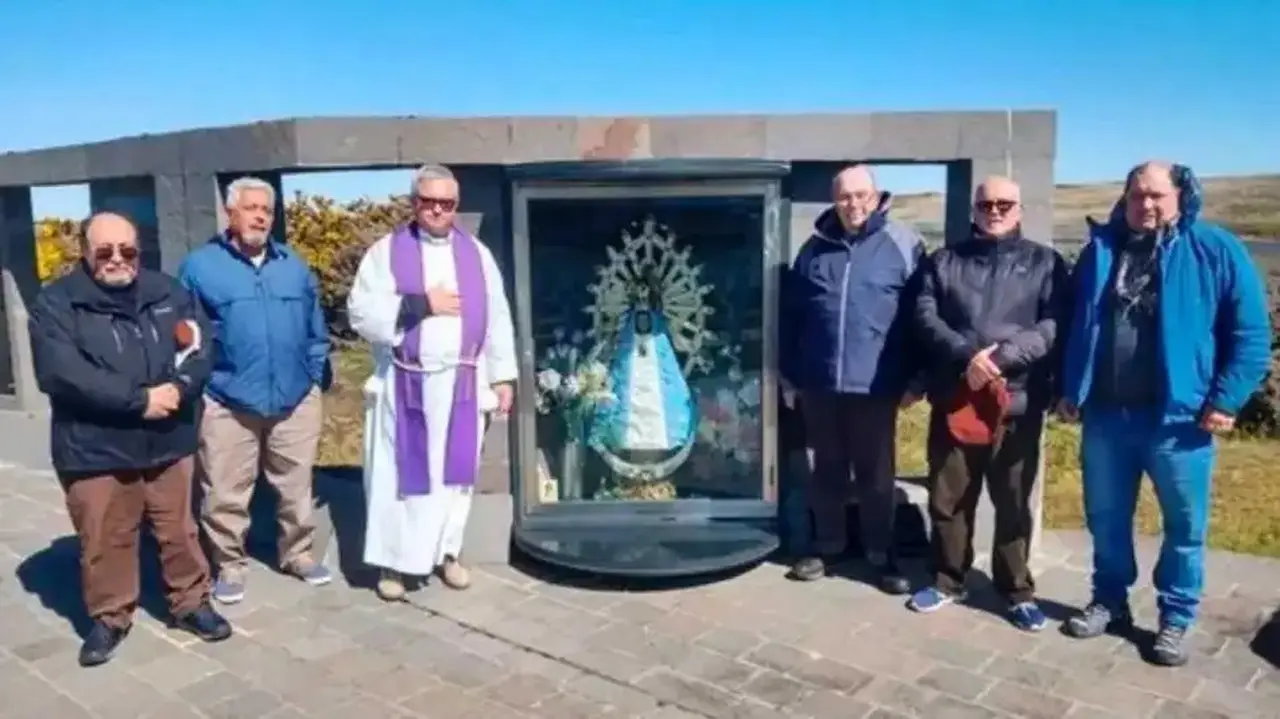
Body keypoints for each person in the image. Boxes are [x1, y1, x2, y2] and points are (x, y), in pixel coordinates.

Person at [1058, 162, 1271, 666]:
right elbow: (1078, 324)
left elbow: (1251, 334)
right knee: (1106, 519)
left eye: (1156, 195)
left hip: (1180, 421)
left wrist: (1226, 399)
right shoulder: (1102, 249)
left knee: (1183, 525)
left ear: (1181, 195)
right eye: (1136, 196)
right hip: (1107, 416)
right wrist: (1072, 387)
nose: (1145, 205)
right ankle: (1110, 601)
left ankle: (1176, 616)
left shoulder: (1214, 249)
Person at [28, 212, 232, 667]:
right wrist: (138, 400)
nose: (117, 259)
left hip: (167, 438)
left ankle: (191, 602)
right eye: (105, 251)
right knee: (106, 537)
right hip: (95, 446)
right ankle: (110, 616)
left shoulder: (168, 292)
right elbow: (62, 373)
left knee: (179, 529)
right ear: (84, 252)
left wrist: (178, 389)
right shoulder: (57, 304)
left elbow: (200, 347)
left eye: (128, 250)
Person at [906, 177, 1070, 632]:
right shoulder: (943, 262)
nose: (994, 210)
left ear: (1019, 208)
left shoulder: (1047, 264)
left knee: (1013, 501)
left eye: (1004, 203)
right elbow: (924, 315)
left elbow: (1054, 324)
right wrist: (966, 357)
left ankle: (1016, 590)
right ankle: (947, 579)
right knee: (950, 496)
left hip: (1016, 400)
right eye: (986, 203)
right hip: (956, 397)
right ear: (973, 209)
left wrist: (1002, 358)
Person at [347, 163, 517, 601]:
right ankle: (394, 565)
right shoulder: (386, 252)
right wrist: (421, 304)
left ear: (456, 206)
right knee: (400, 479)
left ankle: (447, 552)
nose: (438, 210)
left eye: (447, 203)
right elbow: (361, 313)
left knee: (455, 477)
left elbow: (497, 316)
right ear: (414, 203)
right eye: (429, 202)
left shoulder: (476, 255)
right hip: (406, 384)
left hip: (463, 382)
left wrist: (503, 376)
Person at [179, 176, 332, 605]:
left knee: (296, 484)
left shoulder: (293, 266)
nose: (261, 216)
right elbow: (187, 338)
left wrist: (313, 377)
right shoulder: (200, 267)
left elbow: (316, 331)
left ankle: (298, 554)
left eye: (267, 209)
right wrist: (206, 387)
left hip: (294, 398)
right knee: (225, 489)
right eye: (251, 208)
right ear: (231, 213)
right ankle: (229, 563)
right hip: (227, 399)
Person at [779, 164, 925, 592]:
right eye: (844, 197)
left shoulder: (903, 245)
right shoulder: (814, 249)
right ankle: (828, 547)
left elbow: (922, 316)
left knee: (877, 475)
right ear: (834, 200)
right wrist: (791, 375)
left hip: (877, 386)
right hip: (820, 384)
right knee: (825, 471)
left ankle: (882, 554)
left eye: (862, 195)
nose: (853, 204)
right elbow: (792, 316)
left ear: (878, 197)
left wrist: (916, 379)